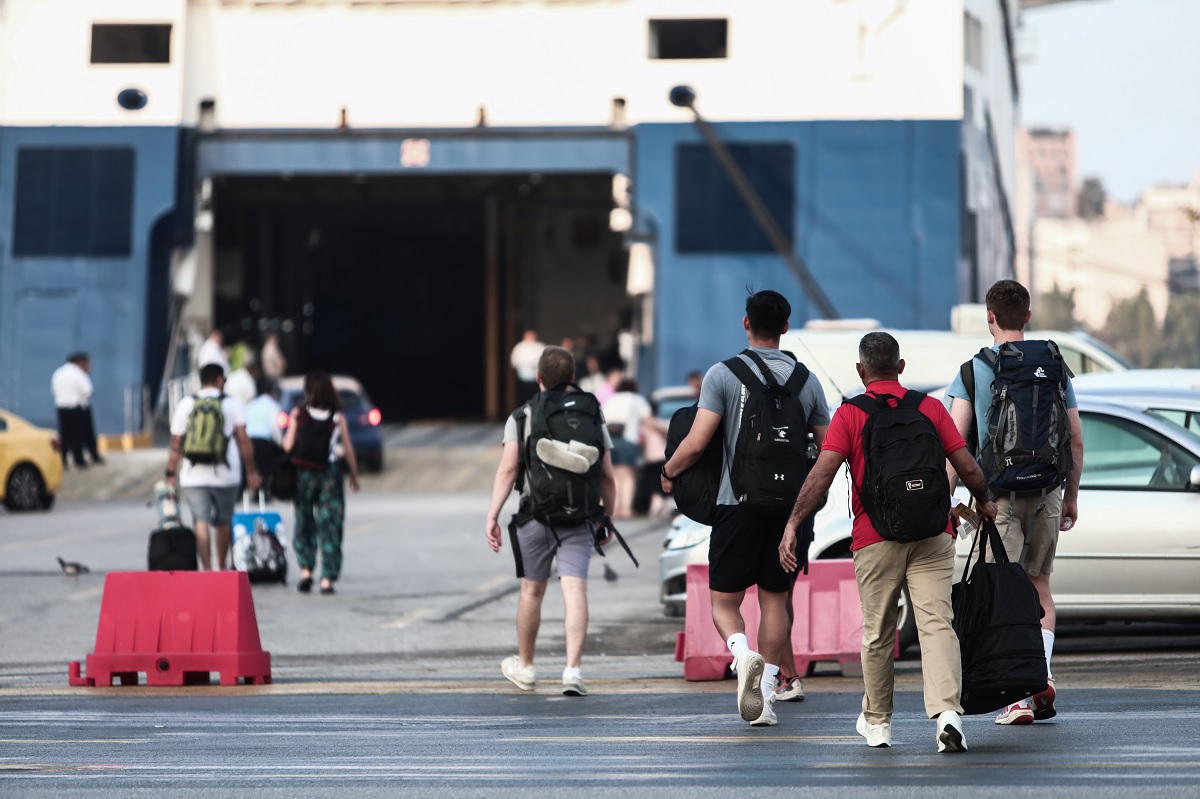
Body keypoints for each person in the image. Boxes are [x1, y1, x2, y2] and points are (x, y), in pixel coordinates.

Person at [779, 331, 997, 752]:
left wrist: (793, 522)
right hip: (934, 533)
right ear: (900, 367)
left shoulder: (849, 414)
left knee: (878, 632)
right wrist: (983, 501)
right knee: (937, 625)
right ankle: (948, 714)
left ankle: (878, 724)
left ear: (861, 371)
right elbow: (967, 464)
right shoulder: (930, 407)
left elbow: (820, 475)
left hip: (875, 537)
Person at [660, 289, 830, 727]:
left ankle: (741, 655)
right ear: (786, 328)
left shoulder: (723, 374)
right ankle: (768, 699)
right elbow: (828, 448)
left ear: (745, 323)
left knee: (724, 602)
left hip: (735, 504)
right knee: (775, 600)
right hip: (788, 511)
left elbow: (696, 443)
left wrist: (668, 471)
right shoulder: (806, 380)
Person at [944, 279, 1084, 726]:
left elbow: (955, 446)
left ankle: (1017, 697)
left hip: (997, 500)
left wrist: (943, 503)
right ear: (1026, 316)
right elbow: (1075, 440)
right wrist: (1071, 497)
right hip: (1047, 492)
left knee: (1002, 595)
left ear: (990, 317)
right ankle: (1041, 675)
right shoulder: (1053, 365)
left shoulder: (973, 370)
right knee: (1040, 585)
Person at [485, 345, 617, 697]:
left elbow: (509, 469)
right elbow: (607, 476)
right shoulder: (592, 412)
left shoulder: (521, 416)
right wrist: (608, 517)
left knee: (532, 591)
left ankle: (526, 668)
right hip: (581, 516)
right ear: (573, 378)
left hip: (536, 515)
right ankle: (572, 671)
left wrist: (493, 514)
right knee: (575, 591)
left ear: (539, 378)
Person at [165, 363, 261, 570]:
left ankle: (206, 569)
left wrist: (170, 472)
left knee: (200, 521)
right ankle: (221, 566)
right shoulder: (232, 404)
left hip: (193, 475)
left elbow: (176, 443)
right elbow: (243, 440)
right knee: (223, 521)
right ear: (219, 380)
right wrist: (252, 471)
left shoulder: (186, 403)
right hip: (226, 474)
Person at [283, 371, 361, 595]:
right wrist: (354, 476)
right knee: (331, 525)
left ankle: (306, 571)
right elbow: (347, 450)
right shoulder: (337, 418)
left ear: (308, 391)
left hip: (303, 475)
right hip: (329, 474)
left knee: (304, 521)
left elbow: (288, 446)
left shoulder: (298, 414)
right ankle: (327, 578)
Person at [601, 377, 652, 519]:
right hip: (628, 440)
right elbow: (647, 418)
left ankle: (615, 508)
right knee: (628, 475)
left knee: (614, 474)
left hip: (609, 440)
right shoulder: (636, 399)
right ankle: (626, 509)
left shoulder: (611, 399)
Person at [51, 352, 103, 468]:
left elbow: (53, 390)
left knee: (64, 434)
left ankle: (62, 460)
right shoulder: (78, 374)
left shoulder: (58, 373)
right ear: (80, 362)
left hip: (61, 408)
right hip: (76, 408)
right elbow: (87, 391)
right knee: (77, 435)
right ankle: (79, 460)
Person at [244, 378, 285, 499]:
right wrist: (280, 443)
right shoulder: (274, 405)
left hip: (249, 439)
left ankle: (252, 491)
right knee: (266, 469)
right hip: (264, 441)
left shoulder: (251, 404)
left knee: (252, 467)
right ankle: (264, 492)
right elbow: (275, 427)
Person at [510, 329, 546, 404]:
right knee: (523, 398)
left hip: (536, 379)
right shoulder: (519, 347)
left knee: (536, 398)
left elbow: (545, 361)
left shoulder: (540, 346)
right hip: (523, 378)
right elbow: (513, 361)